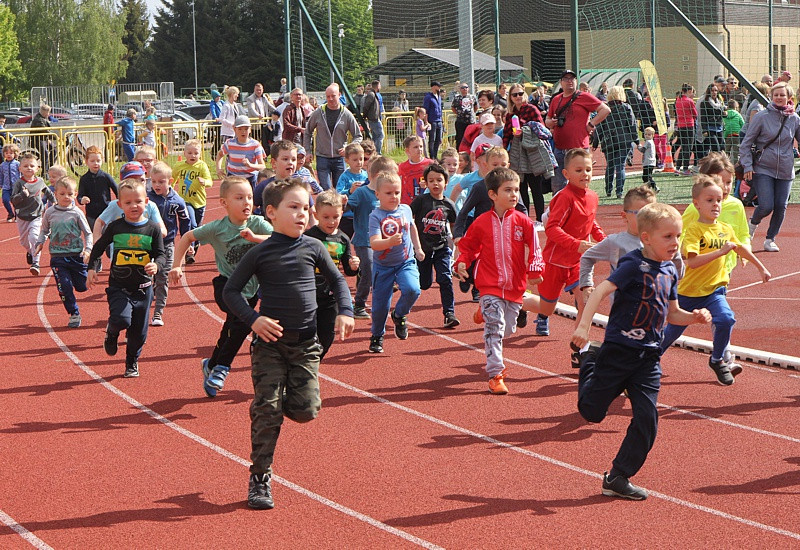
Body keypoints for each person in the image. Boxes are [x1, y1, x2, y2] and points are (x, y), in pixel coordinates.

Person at [222, 178, 354, 510]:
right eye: (293, 207)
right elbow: (231, 292)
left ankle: (274, 405)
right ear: (271, 213)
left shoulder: (314, 247)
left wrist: (346, 311)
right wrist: (254, 319)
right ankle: (260, 478)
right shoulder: (261, 252)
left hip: (306, 345)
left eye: (305, 208)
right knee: (267, 409)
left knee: (306, 411)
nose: (301, 214)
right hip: (270, 345)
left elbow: (338, 279)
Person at [572, 203, 712, 501]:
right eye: (668, 237)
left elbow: (672, 313)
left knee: (647, 419)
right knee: (591, 413)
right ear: (647, 237)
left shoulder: (671, 270)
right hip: (618, 351)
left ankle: (618, 477)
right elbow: (600, 290)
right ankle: (589, 358)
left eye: (678, 236)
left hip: (648, 357)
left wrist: (694, 317)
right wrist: (584, 326)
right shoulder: (633, 264)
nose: (675, 243)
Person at [659, 175, 770, 385]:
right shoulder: (693, 230)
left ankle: (717, 359)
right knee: (669, 335)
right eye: (710, 200)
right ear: (696, 204)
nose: (716, 204)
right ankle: (646, 364)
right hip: (688, 293)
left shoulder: (725, 229)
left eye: (719, 200)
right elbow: (692, 263)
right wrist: (721, 252)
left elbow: (741, 249)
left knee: (726, 319)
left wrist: (761, 267)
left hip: (713, 292)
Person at [169, 176, 273, 397]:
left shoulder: (257, 224)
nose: (246, 202)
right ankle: (222, 368)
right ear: (224, 202)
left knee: (232, 328)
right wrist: (177, 266)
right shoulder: (217, 228)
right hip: (227, 286)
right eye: (239, 198)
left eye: (249, 197)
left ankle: (211, 364)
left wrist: (254, 238)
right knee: (245, 323)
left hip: (251, 289)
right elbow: (187, 237)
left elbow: (279, 239)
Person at [455, 167, 544, 394]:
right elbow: (468, 246)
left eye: (516, 190)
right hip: (489, 285)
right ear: (492, 195)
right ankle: (495, 374)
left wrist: (534, 269)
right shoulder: (482, 222)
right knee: (495, 328)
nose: (514, 194)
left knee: (508, 330)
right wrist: (462, 262)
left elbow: (535, 247)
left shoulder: (524, 222)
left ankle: (482, 312)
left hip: (514, 287)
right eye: (508, 190)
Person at [522, 149, 606, 365]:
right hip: (555, 262)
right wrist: (576, 244)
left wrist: (605, 241)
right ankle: (517, 301)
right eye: (579, 170)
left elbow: (591, 222)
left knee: (585, 300)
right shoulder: (565, 197)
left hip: (579, 263)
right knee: (547, 308)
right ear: (567, 174)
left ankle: (579, 348)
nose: (585, 174)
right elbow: (551, 229)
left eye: (588, 169)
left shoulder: (593, 196)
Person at [87, 179, 167, 378]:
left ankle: (132, 361)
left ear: (146, 202)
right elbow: (98, 248)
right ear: (120, 204)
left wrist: (157, 264)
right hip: (119, 286)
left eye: (138, 201)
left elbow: (161, 254)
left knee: (139, 333)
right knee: (122, 319)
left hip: (144, 288)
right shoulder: (115, 227)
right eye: (128, 202)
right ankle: (112, 332)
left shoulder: (153, 229)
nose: (134, 206)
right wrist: (91, 268)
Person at [739, 81, 800, 252]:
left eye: (782, 95)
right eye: (776, 95)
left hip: (786, 170)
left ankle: (770, 239)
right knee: (766, 205)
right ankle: (752, 224)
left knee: (781, 206)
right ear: (771, 97)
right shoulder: (762, 116)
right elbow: (746, 143)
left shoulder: (794, 119)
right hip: (763, 168)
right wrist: (748, 166)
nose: (779, 98)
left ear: (789, 98)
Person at [366, 170, 423, 353]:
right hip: (383, 266)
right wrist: (389, 242)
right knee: (380, 306)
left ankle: (399, 314)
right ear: (378, 194)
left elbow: (412, 228)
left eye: (397, 192)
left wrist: (418, 248)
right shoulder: (376, 216)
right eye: (388, 193)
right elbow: (374, 243)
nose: (394, 197)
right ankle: (377, 335)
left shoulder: (406, 209)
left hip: (405, 261)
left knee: (413, 289)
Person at [304, 189, 360, 357]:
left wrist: (354, 266)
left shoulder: (343, 239)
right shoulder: (309, 237)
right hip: (309, 293)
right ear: (316, 214)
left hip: (329, 296)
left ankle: (314, 361)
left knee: (327, 336)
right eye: (326, 217)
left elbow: (348, 271)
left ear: (341, 214)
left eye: (335, 217)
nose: (331, 222)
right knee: (307, 333)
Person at [579, 185, 657, 304]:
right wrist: (587, 286)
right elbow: (587, 257)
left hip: (653, 308)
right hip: (622, 312)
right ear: (624, 216)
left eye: (651, 213)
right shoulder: (615, 242)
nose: (646, 218)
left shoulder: (660, 241)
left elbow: (675, 271)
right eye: (640, 213)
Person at [34, 176, 93, 328]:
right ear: (56, 194)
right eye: (62, 194)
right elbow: (45, 230)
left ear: (75, 194)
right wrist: (40, 242)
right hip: (58, 257)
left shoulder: (77, 213)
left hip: (76, 256)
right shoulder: (50, 212)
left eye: (69, 193)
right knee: (64, 287)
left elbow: (88, 233)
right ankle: (74, 313)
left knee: (82, 287)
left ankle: (78, 277)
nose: (66, 197)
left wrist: (88, 250)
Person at [546, 70, 610, 194]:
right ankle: (561, 211)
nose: (569, 81)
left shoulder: (583, 96)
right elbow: (547, 120)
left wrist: (591, 124)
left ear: (576, 81)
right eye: (566, 79)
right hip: (559, 148)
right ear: (561, 82)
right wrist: (551, 122)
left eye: (572, 78)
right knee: (558, 186)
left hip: (579, 148)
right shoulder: (556, 99)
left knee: (580, 184)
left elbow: (605, 110)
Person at [410, 163, 459, 328]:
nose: (435, 184)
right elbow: (408, 218)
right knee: (424, 284)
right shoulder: (420, 201)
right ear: (426, 183)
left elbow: (454, 225)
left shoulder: (449, 205)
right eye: (431, 180)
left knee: (445, 278)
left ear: (446, 182)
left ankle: (449, 313)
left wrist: (456, 240)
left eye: (439, 180)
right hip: (423, 248)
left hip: (442, 248)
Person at [347, 156, 395, 320]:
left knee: (378, 273)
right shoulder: (362, 192)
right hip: (364, 241)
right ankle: (359, 304)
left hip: (382, 242)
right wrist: (345, 198)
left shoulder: (386, 195)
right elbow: (348, 206)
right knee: (369, 271)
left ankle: (382, 305)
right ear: (378, 175)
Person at [147, 161, 194, 327]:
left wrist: (187, 241)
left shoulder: (178, 201)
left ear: (170, 181)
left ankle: (158, 312)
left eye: (161, 181)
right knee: (146, 276)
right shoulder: (147, 198)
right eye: (153, 181)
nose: (156, 185)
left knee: (162, 278)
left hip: (166, 245)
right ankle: (144, 305)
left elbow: (185, 221)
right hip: (147, 243)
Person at [303, 83, 362, 191]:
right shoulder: (319, 112)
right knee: (326, 189)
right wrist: (308, 151)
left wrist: (348, 149)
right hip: (322, 157)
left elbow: (358, 136)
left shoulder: (346, 114)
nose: (330, 99)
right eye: (328, 96)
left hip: (339, 158)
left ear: (339, 95)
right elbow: (307, 132)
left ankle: (340, 208)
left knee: (340, 190)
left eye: (333, 96)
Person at [503, 82, 548, 221]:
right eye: (514, 94)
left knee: (536, 188)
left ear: (525, 94)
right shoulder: (510, 115)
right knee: (521, 188)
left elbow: (542, 129)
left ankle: (540, 219)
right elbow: (506, 135)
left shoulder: (532, 109)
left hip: (532, 153)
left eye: (520, 94)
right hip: (517, 154)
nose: (518, 97)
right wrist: (505, 152)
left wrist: (526, 130)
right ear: (510, 97)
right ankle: (524, 218)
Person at [11, 153, 54, 275]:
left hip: (36, 215)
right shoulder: (19, 183)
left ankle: (36, 263)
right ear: (20, 168)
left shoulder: (40, 181)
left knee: (34, 237)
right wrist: (22, 195)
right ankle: (30, 252)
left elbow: (48, 192)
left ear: (37, 168)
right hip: (22, 216)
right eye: (25, 166)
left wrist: (54, 202)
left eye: (32, 165)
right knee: (24, 241)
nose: (29, 168)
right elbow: (13, 199)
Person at [595, 85, 638, 199]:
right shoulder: (626, 107)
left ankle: (608, 190)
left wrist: (595, 142)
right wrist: (636, 139)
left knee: (610, 166)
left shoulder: (605, 108)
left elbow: (599, 126)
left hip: (609, 141)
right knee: (620, 166)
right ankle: (619, 192)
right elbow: (632, 124)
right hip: (624, 140)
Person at [216, 115, 267, 189]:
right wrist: (218, 169)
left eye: (246, 129)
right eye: (240, 129)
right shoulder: (229, 143)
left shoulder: (255, 145)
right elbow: (220, 154)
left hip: (249, 178)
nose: (243, 132)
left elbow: (262, 166)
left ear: (250, 129)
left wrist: (250, 165)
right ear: (234, 129)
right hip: (232, 178)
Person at [335, 142, 367, 238]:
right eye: (355, 160)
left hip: (363, 215)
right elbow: (338, 193)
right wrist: (349, 191)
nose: (359, 162)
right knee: (344, 238)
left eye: (361, 159)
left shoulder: (366, 175)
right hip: (348, 216)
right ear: (347, 160)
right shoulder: (344, 176)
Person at [398, 135, 434, 204]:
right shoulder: (402, 167)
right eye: (415, 147)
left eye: (421, 146)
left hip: (426, 201)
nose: (419, 149)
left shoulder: (430, 164)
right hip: (408, 202)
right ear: (407, 151)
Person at [674, 84, 698, 176]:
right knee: (688, 147)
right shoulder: (689, 101)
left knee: (683, 147)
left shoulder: (678, 100)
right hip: (689, 125)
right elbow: (695, 114)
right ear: (688, 91)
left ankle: (677, 168)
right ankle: (685, 168)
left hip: (680, 126)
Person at [698, 84, 726, 157]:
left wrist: (724, 113)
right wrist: (704, 130)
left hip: (719, 127)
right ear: (709, 92)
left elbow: (722, 113)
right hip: (710, 128)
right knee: (715, 147)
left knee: (722, 147)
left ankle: (720, 162)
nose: (714, 92)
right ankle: (715, 163)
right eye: (712, 91)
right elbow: (703, 117)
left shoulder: (719, 102)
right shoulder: (705, 103)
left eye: (716, 90)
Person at [30, 104, 57, 172]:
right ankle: (45, 172)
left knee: (54, 149)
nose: (49, 114)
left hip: (44, 139)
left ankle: (50, 167)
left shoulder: (44, 118)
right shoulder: (38, 119)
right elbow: (44, 130)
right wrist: (55, 137)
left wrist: (49, 139)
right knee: (45, 154)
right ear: (44, 112)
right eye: (48, 112)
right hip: (38, 139)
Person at [361, 80, 385, 154]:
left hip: (374, 118)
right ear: (377, 86)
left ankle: (373, 152)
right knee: (381, 135)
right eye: (380, 85)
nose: (380, 87)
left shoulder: (373, 94)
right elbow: (366, 106)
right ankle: (377, 152)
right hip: (373, 119)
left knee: (375, 137)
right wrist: (365, 115)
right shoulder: (371, 94)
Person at [452, 82, 477, 148]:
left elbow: (476, 107)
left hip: (470, 121)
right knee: (460, 138)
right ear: (460, 89)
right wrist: (459, 113)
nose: (465, 89)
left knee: (471, 137)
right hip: (460, 121)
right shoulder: (457, 98)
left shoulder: (472, 97)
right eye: (463, 88)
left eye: (466, 87)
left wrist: (471, 113)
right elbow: (453, 107)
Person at [423, 81, 444, 159]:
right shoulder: (428, 97)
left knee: (438, 139)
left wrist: (442, 120)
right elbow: (426, 110)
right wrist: (426, 121)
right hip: (432, 120)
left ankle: (435, 154)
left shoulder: (439, 96)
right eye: (437, 86)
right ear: (433, 87)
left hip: (439, 120)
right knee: (432, 139)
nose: (439, 88)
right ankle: (432, 156)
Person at [1, 143, 20, 222]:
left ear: (15, 154)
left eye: (11, 153)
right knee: (5, 200)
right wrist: (1, 184)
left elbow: (21, 174)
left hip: (16, 187)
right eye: (7, 153)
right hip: (6, 187)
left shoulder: (17, 164)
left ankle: (17, 215)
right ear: (4, 154)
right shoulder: (2, 165)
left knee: (16, 202)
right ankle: (10, 213)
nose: (9, 155)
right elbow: (1, 175)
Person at [637, 127, 658, 192]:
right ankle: (649, 188)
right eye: (645, 134)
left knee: (646, 176)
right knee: (647, 176)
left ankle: (653, 187)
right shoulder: (651, 141)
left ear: (652, 135)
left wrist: (638, 146)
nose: (647, 136)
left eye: (649, 134)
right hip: (651, 161)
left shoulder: (648, 142)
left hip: (648, 162)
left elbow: (642, 150)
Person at [209, 89, 223, 157]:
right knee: (218, 137)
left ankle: (218, 149)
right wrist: (215, 117)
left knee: (221, 137)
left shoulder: (222, 102)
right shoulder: (213, 103)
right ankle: (214, 151)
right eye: (217, 97)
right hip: (218, 123)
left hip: (223, 122)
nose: (218, 98)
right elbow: (213, 110)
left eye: (219, 97)